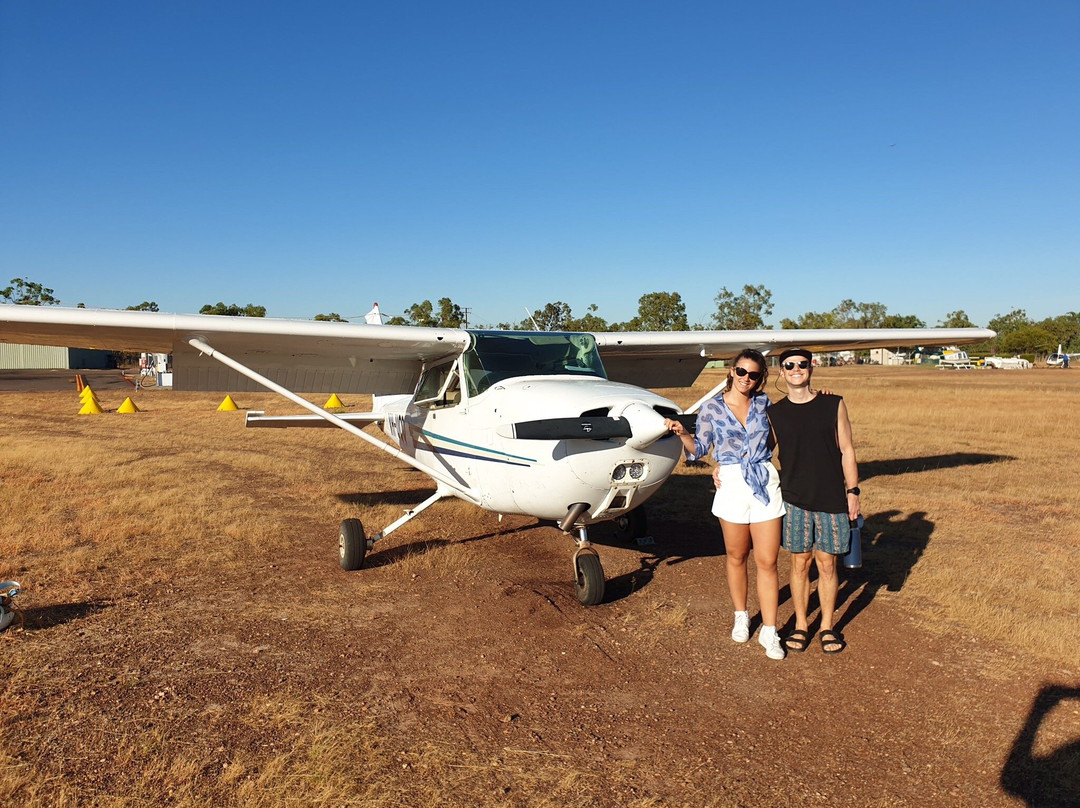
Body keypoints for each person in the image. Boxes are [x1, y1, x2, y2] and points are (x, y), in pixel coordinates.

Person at [664, 349, 786, 660]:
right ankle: (741, 615)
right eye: (742, 372)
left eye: (754, 374)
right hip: (731, 484)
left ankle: (770, 631)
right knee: (736, 555)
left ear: (761, 378)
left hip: (764, 481)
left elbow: (776, 439)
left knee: (768, 560)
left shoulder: (765, 404)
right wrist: (682, 433)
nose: (747, 379)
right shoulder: (711, 408)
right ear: (731, 371)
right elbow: (701, 449)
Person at [765, 348, 861, 654]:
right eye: (789, 365)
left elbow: (847, 449)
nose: (796, 369)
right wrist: (721, 468)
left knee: (828, 565)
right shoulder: (775, 413)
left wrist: (853, 491)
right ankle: (802, 625)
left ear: (811, 368)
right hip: (794, 500)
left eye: (802, 365)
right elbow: (759, 454)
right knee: (800, 563)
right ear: (781, 372)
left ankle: (827, 626)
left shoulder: (834, 403)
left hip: (832, 497)